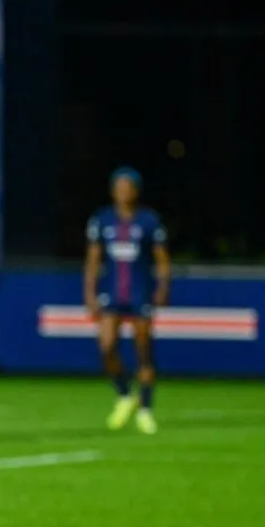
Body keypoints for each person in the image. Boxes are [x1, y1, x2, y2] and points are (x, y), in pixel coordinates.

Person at [84, 167, 171, 435]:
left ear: (135, 191)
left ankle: (145, 409)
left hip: (139, 293)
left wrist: (163, 287)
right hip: (112, 293)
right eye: (119, 188)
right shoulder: (103, 220)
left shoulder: (148, 222)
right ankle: (124, 393)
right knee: (106, 345)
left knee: (143, 351)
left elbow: (162, 259)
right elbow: (93, 259)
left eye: (128, 187)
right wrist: (90, 292)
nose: (123, 193)